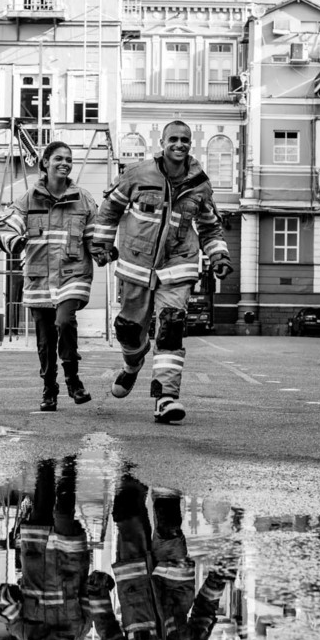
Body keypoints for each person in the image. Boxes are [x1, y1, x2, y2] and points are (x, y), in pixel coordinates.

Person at [91, 121, 232, 424]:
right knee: (128, 330)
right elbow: (110, 210)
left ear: (190, 144)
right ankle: (132, 365)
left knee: (171, 328)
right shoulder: (136, 174)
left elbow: (210, 227)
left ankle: (165, 398)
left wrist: (218, 255)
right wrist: (101, 244)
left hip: (177, 266)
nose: (179, 144)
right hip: (136, 265)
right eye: (173, 139)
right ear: (163, 143)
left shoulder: (200, 185)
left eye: (184, 140)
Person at [85, 473, 235, 640]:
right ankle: (165, 462)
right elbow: (203, 614)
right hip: (174, 582)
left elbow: (106, 628)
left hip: (135, 580)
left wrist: (97, 593)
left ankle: (134, 464)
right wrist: (218, 579)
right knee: (168, 523)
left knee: (127, 511)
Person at [0, 141, 97, 412]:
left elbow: (95, 234)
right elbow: (4, 225)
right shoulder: (29, 198)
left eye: (69, 159)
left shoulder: (84, 199)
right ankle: (49, 388)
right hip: (39, 278)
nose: (65, 163)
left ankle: (73, 380)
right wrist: (15, 240)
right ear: (46, 162)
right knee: (45, 340)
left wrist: (104, 250)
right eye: (59, 158)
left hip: (73, 274)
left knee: (65, 321)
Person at [0, 457, 90, 640]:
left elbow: (1, 600)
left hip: (37, 552)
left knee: (43, 493)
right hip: (68, 558)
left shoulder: (23, 632)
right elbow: (90, 597)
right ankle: (70, 461)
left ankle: (47, 454)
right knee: (63, 510)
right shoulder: (78, 633)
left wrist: (5, 600)